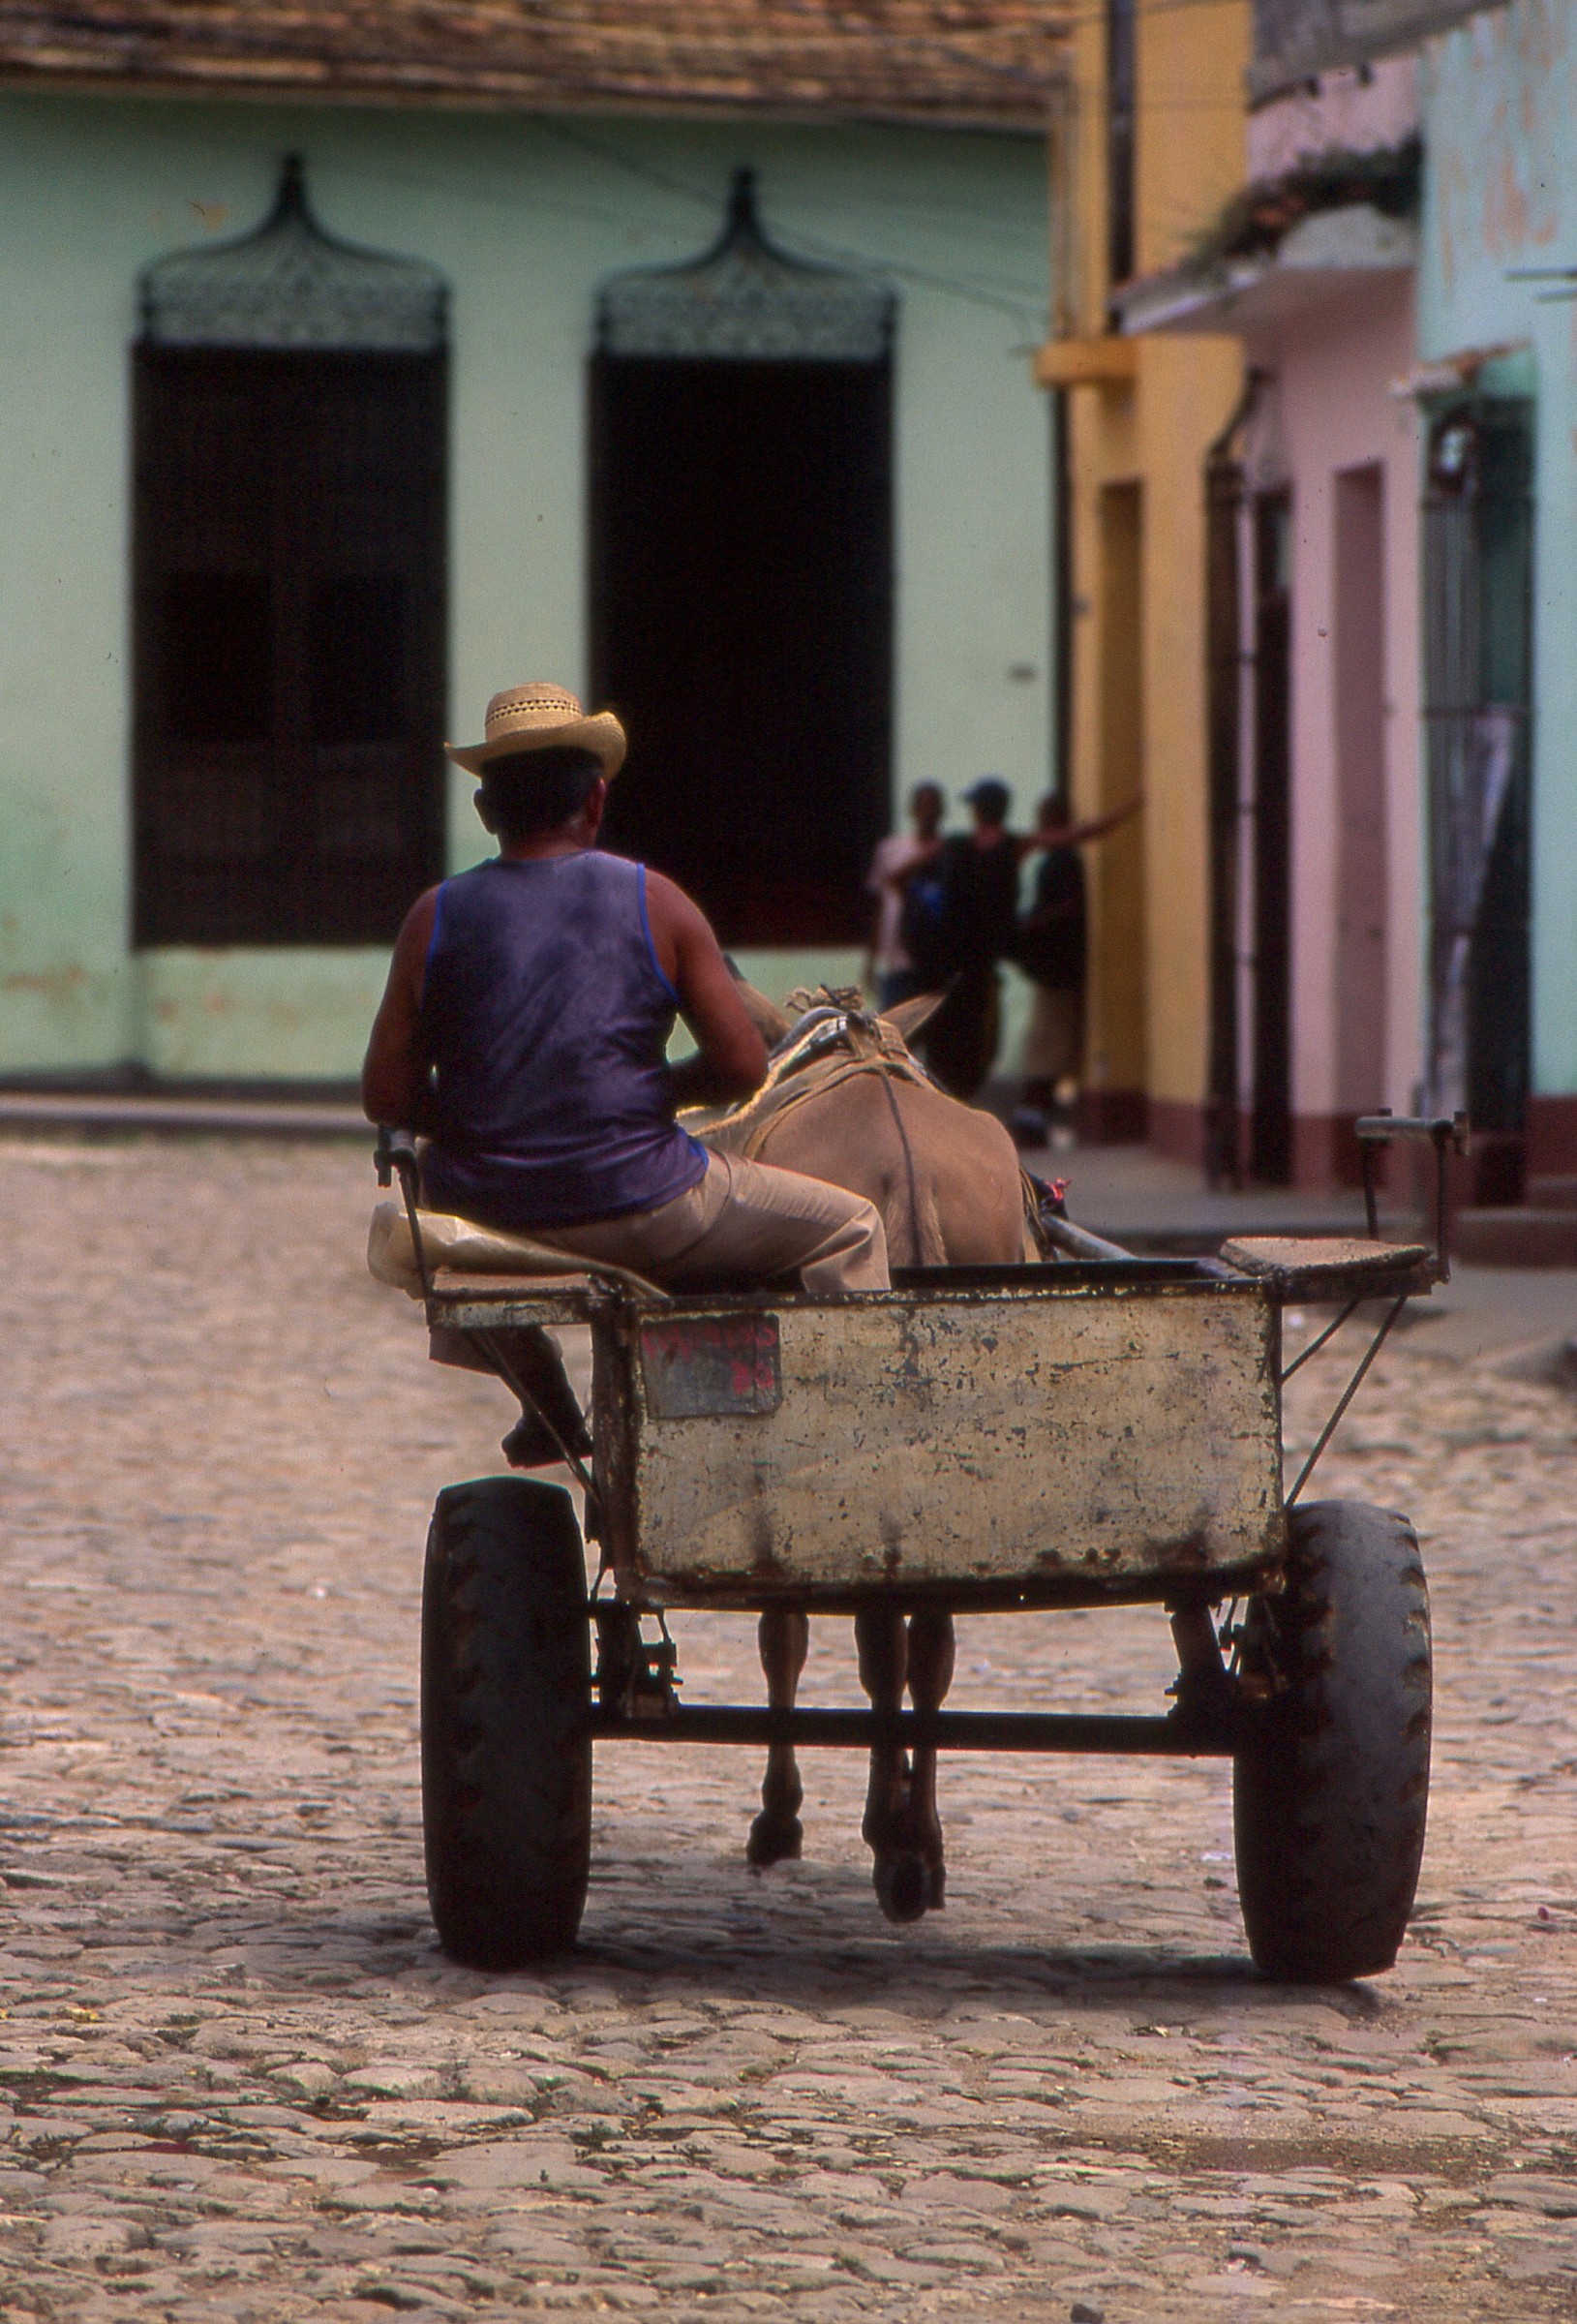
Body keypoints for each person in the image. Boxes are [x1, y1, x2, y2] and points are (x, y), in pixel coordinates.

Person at [362, 683, 889, 1301]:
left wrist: (488, 1117)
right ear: (596, 800)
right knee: (854, 1225)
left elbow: (385, 1095)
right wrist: (656, 1093)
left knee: (453, 1229)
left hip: (483, 1208)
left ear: (485, 810)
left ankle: (545, 1398)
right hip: (643, 1203)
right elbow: (745, 1066)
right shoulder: (657, 901)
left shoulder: (433, 915)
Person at [1012, 787, 1144, 1147]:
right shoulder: (1056, 860)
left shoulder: (1062, 862)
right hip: (1052, 970)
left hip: (1057, 971)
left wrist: (1032, 922)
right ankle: (1034, 1116)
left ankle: (1034, 1118)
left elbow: (1067, 909)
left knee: (1047, 1048)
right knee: (1044, 1045)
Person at [892, 777, 1021, 1100]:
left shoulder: (955, 846)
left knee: (944, 1037)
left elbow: (897, 878)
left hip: (944, 966)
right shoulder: (1008, 845)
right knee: (977, 1040)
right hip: (980, 965)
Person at [863, 782, 945, 1010]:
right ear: (912, 810)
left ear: (941, 812)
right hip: (897, 961)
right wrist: (870, 961)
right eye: (923, 807)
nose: (927, 813)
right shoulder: (890, 850)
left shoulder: (949, 854)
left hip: (933, 962)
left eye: (932, 807)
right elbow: (880, 907)